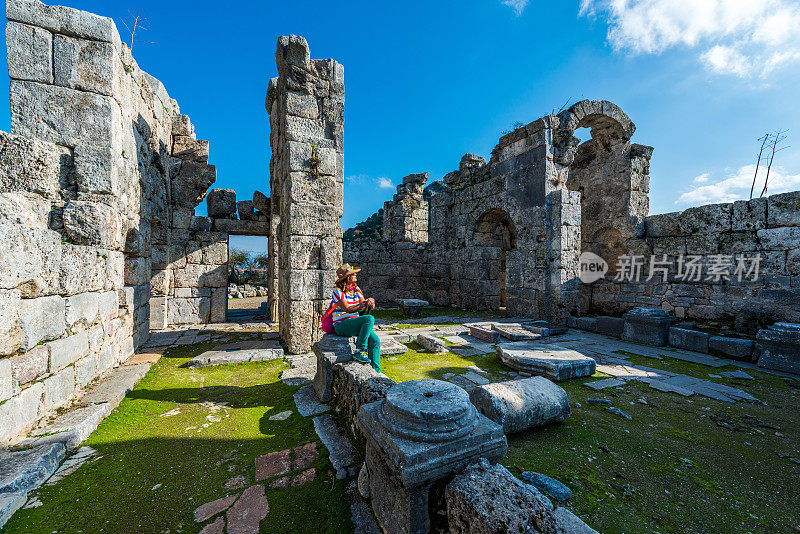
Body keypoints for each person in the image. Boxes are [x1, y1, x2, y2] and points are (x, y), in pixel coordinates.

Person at [330, 263, 381, 372]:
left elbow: (362, 306)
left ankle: (376, 371)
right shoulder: (337, 291)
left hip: (354, 324)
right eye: (353, 274)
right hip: (341, 325)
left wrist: (370, 302)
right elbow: (347, 309)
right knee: (369, 319)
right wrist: (362, 305)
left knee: (375, 341)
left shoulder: (357, 290)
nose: (356, 276)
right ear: (347, 277)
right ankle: (359, 350)